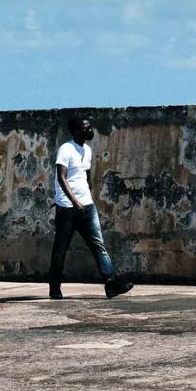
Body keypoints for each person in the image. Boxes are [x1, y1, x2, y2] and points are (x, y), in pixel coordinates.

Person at [49, 115, 133, 300]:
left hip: (87, 206)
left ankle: (111, 283)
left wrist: (86, 198)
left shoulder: (86, 150)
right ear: (76, 131)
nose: (89, 130)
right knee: (60, 249)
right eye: (85, 127)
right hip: (67, 208)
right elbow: (61, 177)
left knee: (98, 244)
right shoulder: (66, 149)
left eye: (89, 127)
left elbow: (86, 177)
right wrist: (74, 201)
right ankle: (54, 289)